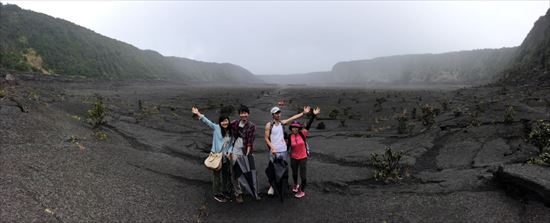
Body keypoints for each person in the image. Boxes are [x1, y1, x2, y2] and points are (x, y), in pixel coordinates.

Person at [264, 105, 310, 196]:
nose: (278, 114)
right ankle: (272, 186)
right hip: (274, 151)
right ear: (272, 114)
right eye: (276, 113)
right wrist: (272, 148)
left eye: (279, 113)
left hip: (283, 150)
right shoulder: (269, 125)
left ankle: (283, 185)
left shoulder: (282, 123)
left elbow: (292, 118)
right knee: (273, 169)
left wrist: (303, 113)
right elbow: (266, 138)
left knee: (283, 169)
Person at [191, 106, 232, 203]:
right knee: (216, 176)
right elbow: (206, 121)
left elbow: (231, 144)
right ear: (220, 122)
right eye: (222, 121)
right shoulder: (216, 128)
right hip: (216, 156)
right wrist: (198, 113)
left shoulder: (230, 132)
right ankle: (216, 194)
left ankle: (225, 191)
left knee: (225, 175)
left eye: (226, 121)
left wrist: (230, 151)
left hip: (225, 157)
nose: (225, 123)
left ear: (228, 121)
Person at [289, 107, 320, 198]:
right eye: (293, 127)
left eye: (296, 127)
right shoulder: (289, 136)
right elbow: (286, 146)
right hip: (293, 158)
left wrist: (313, 115)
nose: (295, 129)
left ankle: (302, 191)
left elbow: (309, 124)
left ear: (299, 128)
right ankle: (295, 185)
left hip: (303, 157)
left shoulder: (303, 133)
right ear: (291, 128)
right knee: (294, 173)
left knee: (303, 175)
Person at [229, 105, 258, 203]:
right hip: (235, 150)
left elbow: (250, 141)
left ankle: (246, 187)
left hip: (245, 151)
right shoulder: (235, 123)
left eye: (245, 113)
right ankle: (238, 193)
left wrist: (248, 153)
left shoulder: (252, 126)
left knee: (246, 172)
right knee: (235, 172)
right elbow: (223, 126)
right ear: (239, 114)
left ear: (248, 114)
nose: (244, 115)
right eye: (242, 113)